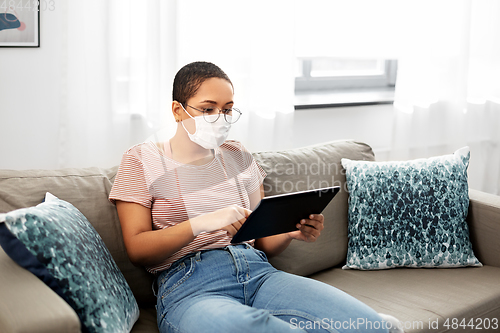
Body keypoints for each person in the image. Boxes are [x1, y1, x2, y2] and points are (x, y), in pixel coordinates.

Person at [109, 61, 401, 333]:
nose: (219, 118)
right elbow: (137, 248)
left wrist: (290, 231)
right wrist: (202, 222)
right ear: (177, 110)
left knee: (371, 326)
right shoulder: (142, 159)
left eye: (227, 109)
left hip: (259, 273)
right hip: (191, 286)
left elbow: (263, 241)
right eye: (207, 109)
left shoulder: (238, 156)